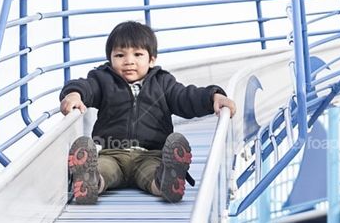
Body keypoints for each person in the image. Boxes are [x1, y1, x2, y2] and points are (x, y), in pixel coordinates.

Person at [59, 21, 236, 204]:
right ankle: (90, 183)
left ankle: (167, 183)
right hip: (111, 153)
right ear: (110, 59)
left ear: (151, 59)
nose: (129, 61)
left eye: (138, 54)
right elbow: (85, 87)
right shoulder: (102, 80)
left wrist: (213, 96)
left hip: (151, 154)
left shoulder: (163, 83)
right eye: (120, 55)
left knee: (154, 174)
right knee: (103, 170)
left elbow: (185, 97)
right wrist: (74, 94)